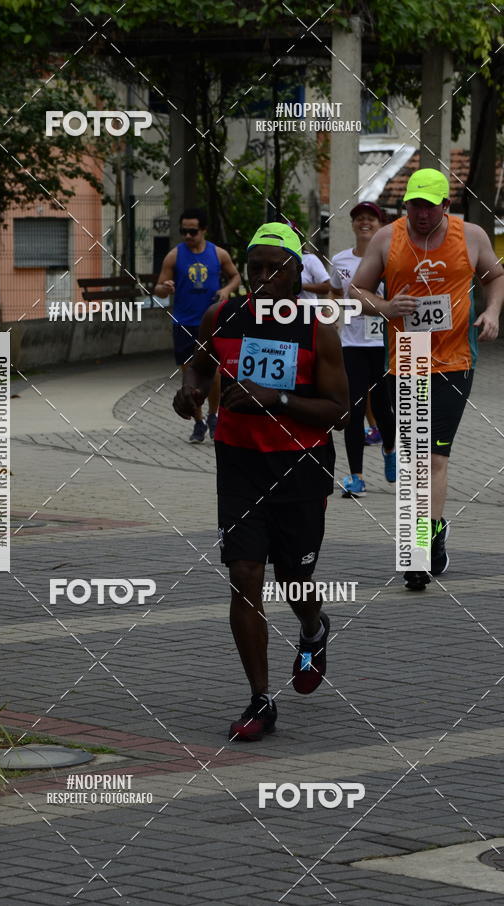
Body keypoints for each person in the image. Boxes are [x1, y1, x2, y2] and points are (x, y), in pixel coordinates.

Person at [173, 222, 349, 740]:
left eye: (276, 268)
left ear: (297, 272)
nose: (264, 277)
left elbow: (339, 411)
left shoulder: (318, 330)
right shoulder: (223, 316)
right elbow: (198, 367)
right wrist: (189, 392)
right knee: (245, 573)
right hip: (240, 464)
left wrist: (279, 400)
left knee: (294, 580)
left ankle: (313, 628)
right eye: (256, 268)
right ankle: (260, 700)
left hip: (300, 467)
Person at [349, 168, 504, 590]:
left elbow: (495, 276)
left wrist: (492, 312)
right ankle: (424, 543)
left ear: (446, 206)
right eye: (414, 205)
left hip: (455, 360)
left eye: (428, 207)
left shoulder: (471, 236)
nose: (420, 214)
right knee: (418, 457)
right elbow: (356, 292)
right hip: (408, 359)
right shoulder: (388, 239)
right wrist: (385, 306)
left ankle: (423, 542)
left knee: (435, 457)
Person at [154, 208, 240, 443]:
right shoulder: (174, 256)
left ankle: (214, 415)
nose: (188, 236)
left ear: (203, 230)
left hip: (211, 322)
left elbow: (235, 276)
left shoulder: (218, 254)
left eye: (192, 231)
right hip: (184, 323)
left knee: (214, 372)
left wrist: (226, 290)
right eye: (184, 231)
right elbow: (158, 288)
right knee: (189, 375)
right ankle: (198, 422)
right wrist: (166, 288)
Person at [329, 201, 396, 497]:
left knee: (383, 408)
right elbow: (334, 291)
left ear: (381, 225)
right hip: (352, 343)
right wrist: (331, 312)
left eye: (371, 218)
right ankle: (356, 477)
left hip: (383, 344)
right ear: (353, 224)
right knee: (353, 411)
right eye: (359, 218)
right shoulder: (340, 260)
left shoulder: (392, 259)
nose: (364, 222)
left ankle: (390, 448)